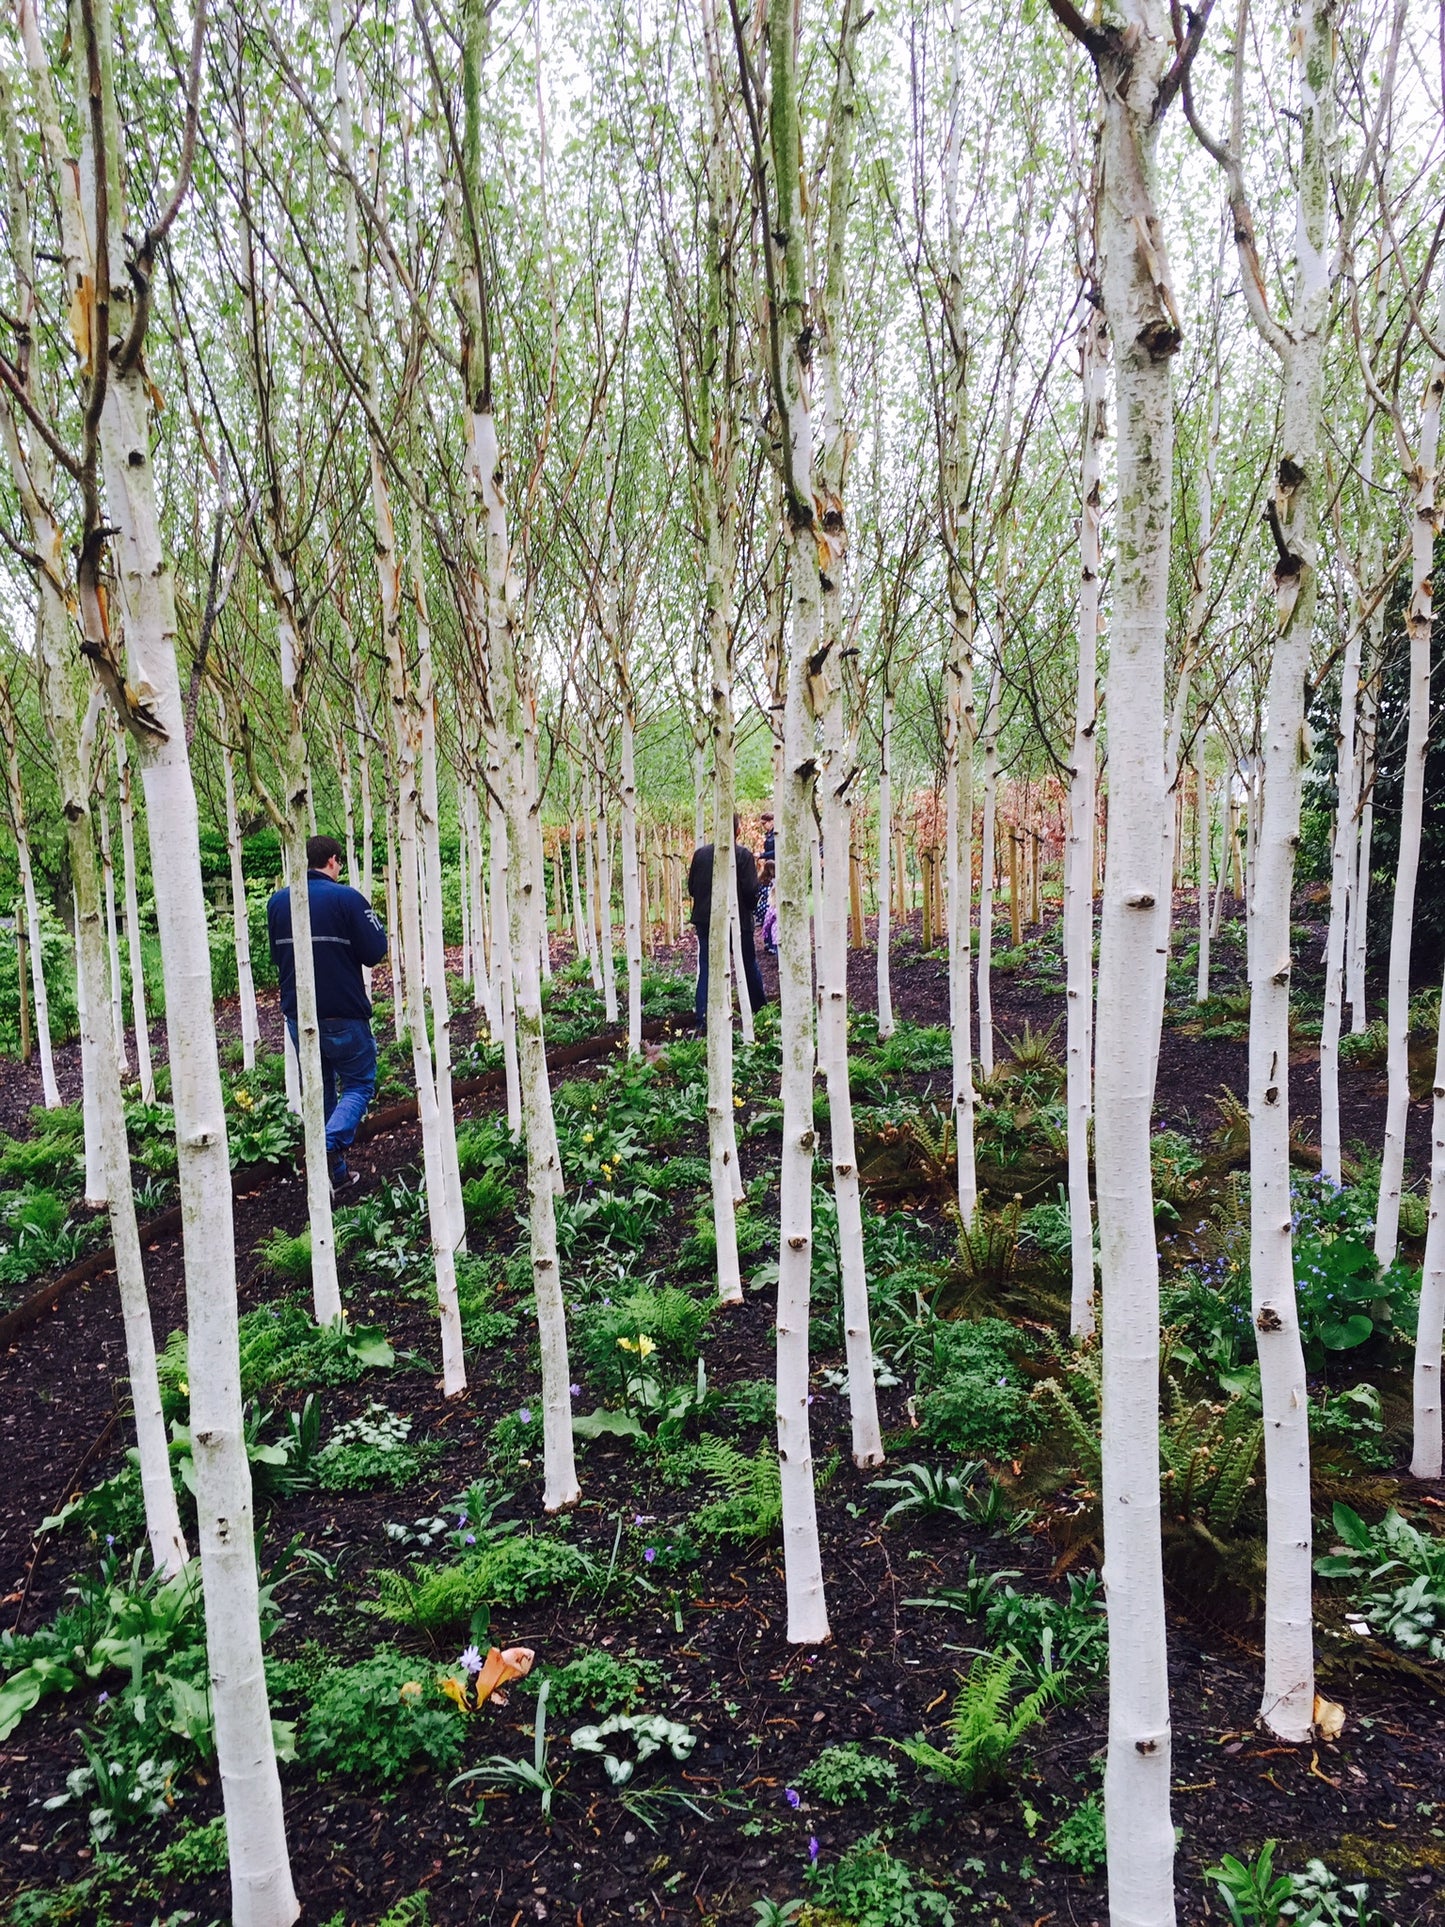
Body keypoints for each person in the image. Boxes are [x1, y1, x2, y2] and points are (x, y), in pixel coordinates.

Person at [267, 834, 388, 1192]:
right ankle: (325, 1147)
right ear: (333, 861)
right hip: (343, 1013)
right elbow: (375, 950)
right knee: (359, 1083)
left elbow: (277, 958)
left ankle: (334, 1177)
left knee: (320, 1093)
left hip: (298, 1014)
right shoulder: (347, 898)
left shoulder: (278, 902)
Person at [688, 816, 766, 1032]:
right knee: (748, 964)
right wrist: (750, 907)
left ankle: (702, 1019)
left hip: (705, 919)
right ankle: (761, 1012)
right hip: (738, 921)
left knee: (707, 967)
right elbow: (751, 891)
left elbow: (692, 888)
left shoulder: (700, 855)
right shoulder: (743, 855)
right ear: (738, 830)